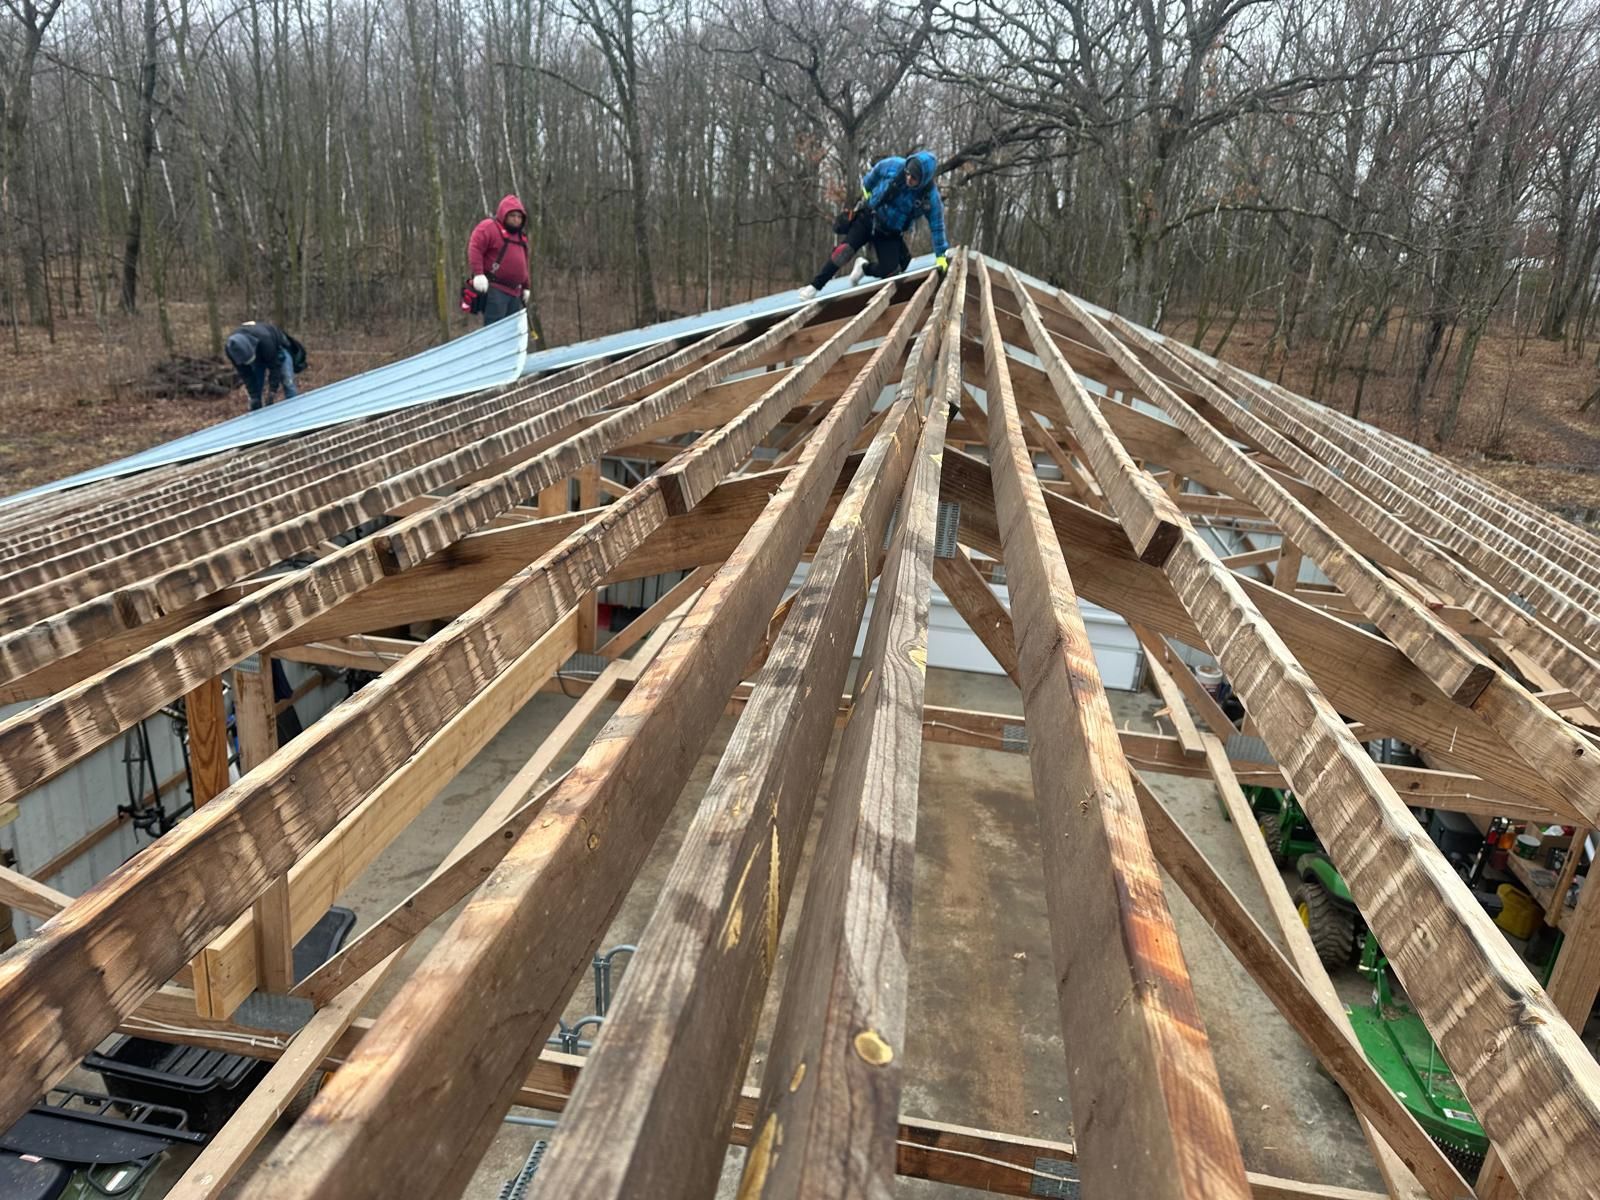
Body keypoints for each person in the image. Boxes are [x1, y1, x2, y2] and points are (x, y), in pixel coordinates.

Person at [798, 150, 949, 299]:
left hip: (889, 233)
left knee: (892, 272)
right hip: (869, 218)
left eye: (914, 178)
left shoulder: (930, 198)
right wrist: (868, 193)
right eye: (908, 174)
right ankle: (814, 286)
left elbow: (937, 227)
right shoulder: (894, 165)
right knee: (844, 252)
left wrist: (941, 257)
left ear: (923, 179)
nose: (909, 179)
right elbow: (873, 175)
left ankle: (864, 268)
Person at [468, 194, 532, 326]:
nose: (516, 220)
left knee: (511, 331)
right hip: (496, 289)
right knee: (495, 329)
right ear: (504, 214)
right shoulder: (489, 227)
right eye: (512, 216)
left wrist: (526, 286)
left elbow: (524, 262)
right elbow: (475, 248)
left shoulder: (521, 237)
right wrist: (478, 273)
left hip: (515, 292)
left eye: (519, 217)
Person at [224, 321, 301, 411]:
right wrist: (254, 396)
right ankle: (256, 414)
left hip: (277, 349)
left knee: (287, 380)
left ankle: (295, 410)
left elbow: (275, 368)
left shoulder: (266, 340)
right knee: (256, 387)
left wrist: (272, 392)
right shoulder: (231, 349)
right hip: (259, 355)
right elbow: (246, 375)